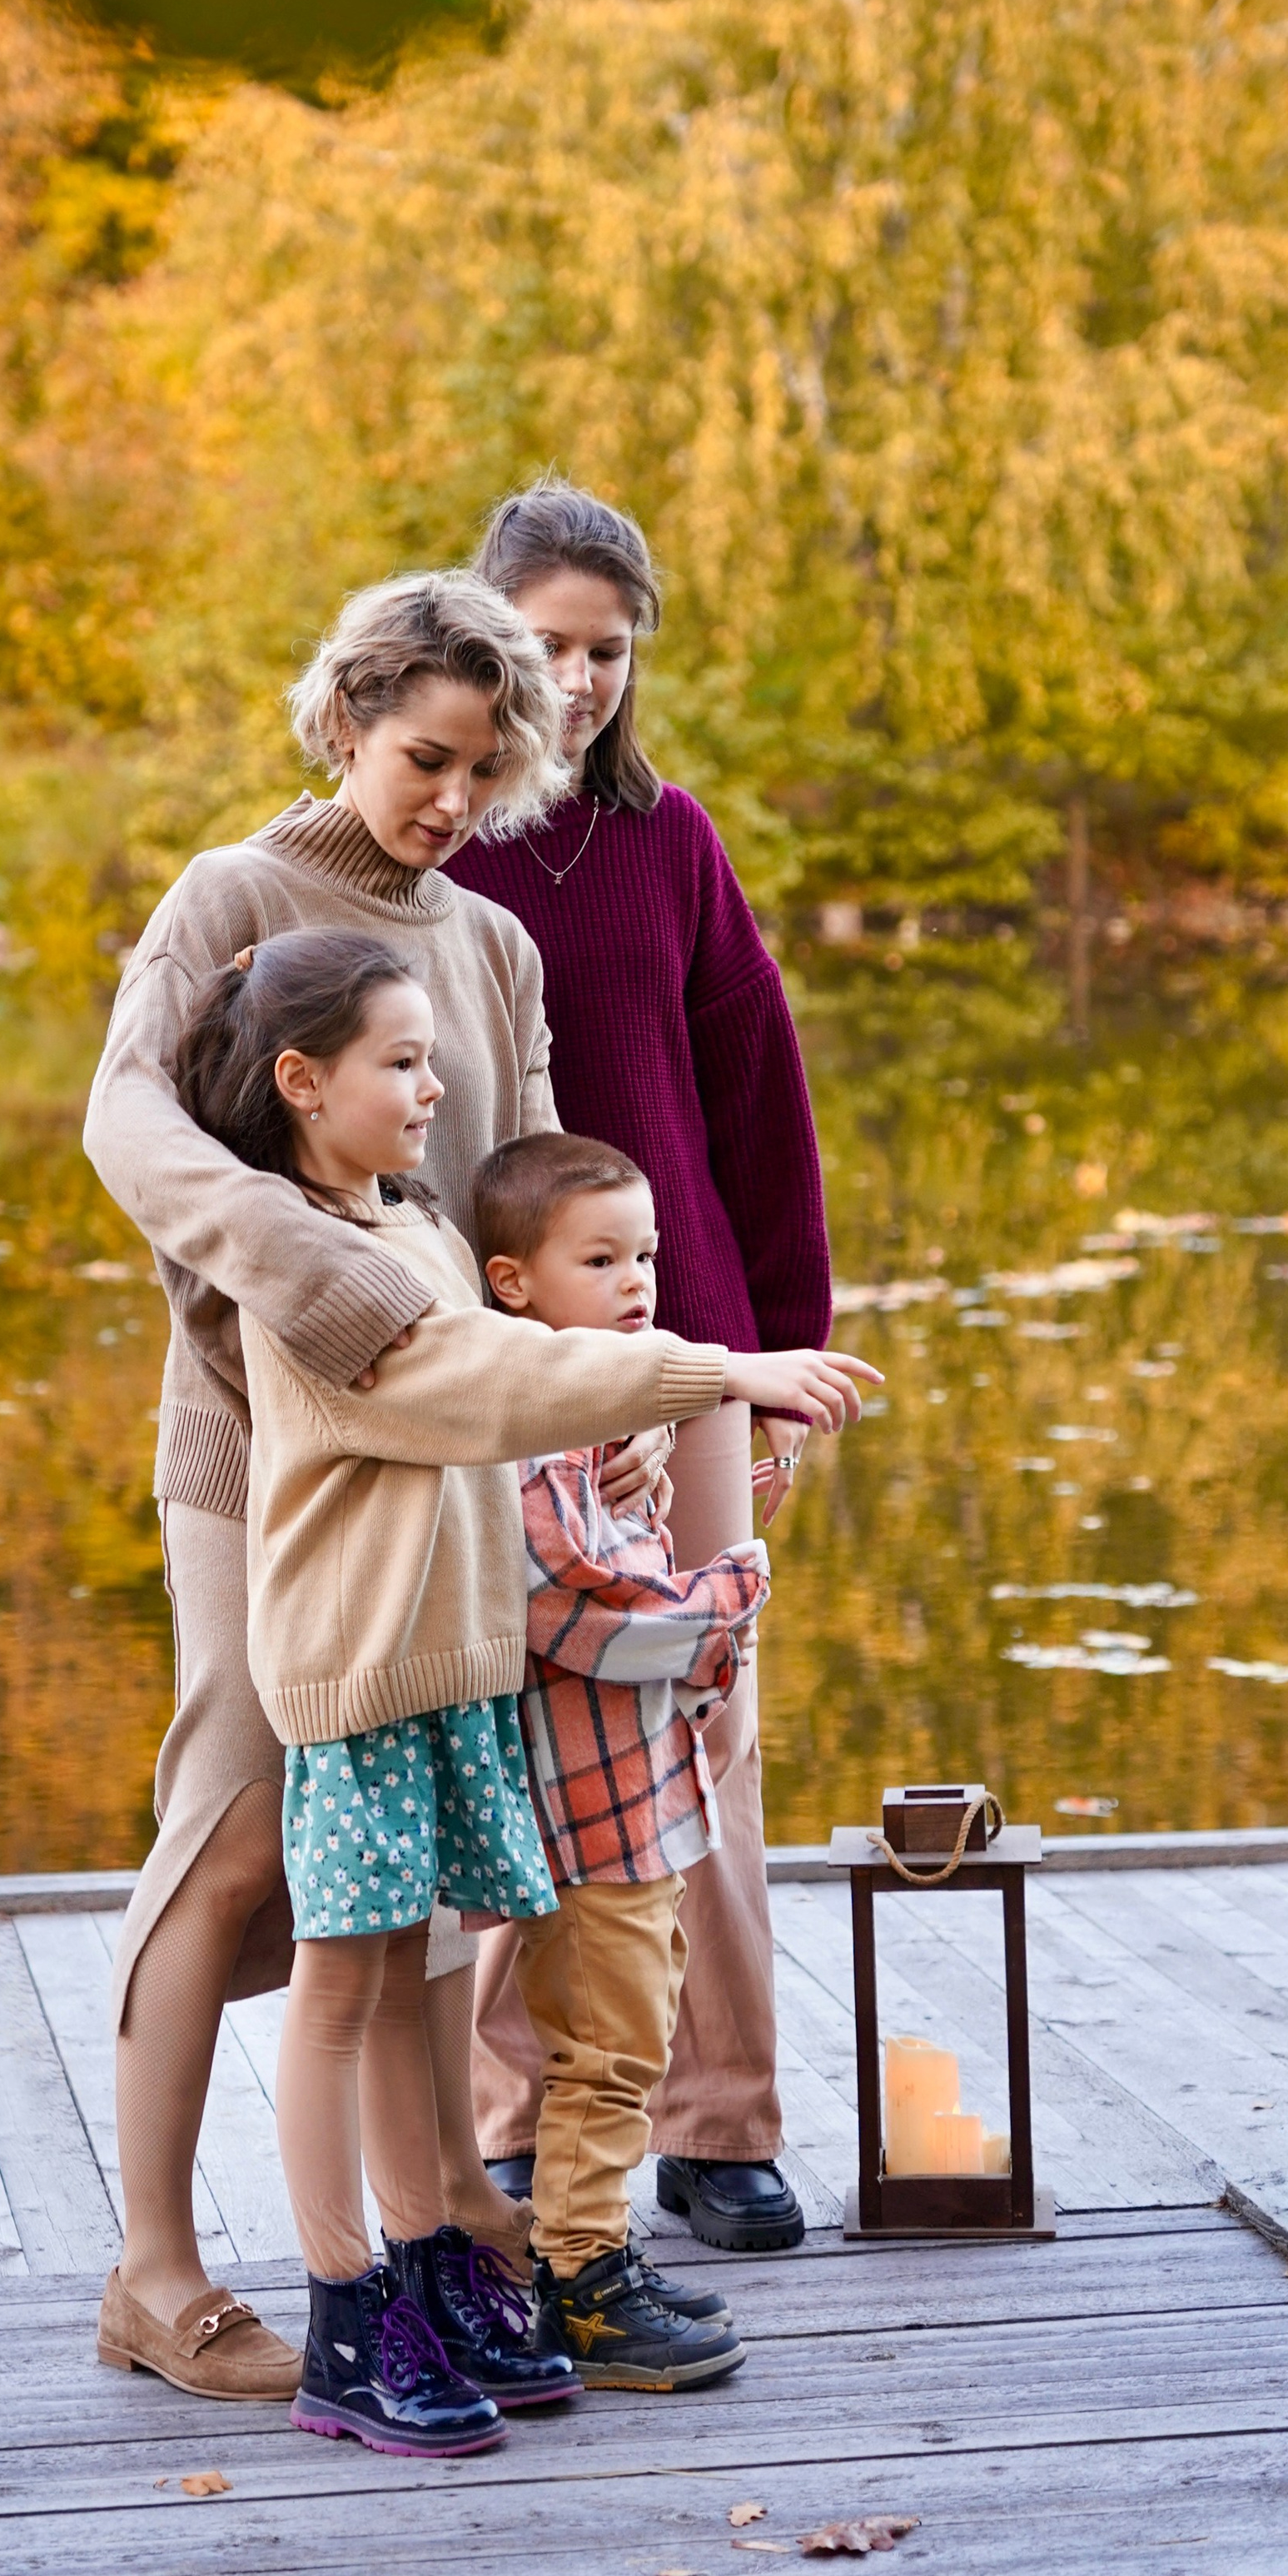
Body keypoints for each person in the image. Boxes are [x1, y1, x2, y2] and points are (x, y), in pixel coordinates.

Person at [84, 570, 674, 2401]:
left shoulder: (484, 948)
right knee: (237, 1818)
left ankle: (432, 2229)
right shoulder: (233, 900)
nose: (445, 800)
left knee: (417, 1840)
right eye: (423, 757)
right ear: (344, 719)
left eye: (482, 775)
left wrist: (608, 1373)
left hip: (441, 1468)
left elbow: (516, 1201)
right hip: (254, 1456)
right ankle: (158, 2271)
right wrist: (317, 1280)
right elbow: (127, 1121)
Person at [168, 927, 868, 2454]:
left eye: (432, 1056)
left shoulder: (408, 1218)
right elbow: (472, 1384)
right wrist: (711, 1372)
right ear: (303, 1082)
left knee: (425, 1980)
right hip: (359, 1684)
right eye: (403, 1064)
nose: (436, 1087)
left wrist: (607, 1436)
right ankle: (349, 2316)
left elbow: (517, 1392)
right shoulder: (314, 1258)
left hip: (467, 1673)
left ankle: (431, 2259)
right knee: (342, 1993)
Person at [452, 477, 835, 2254]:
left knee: (699, 1719)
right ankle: (519, 2109)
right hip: (478, 1362)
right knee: (507, 1720)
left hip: (677, 1351)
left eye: (609, 648)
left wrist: (777, 1361)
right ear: (477, 640)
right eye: (549, 644)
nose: (584, 678)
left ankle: (718, 2119)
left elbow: (758, 1106)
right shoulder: (418, 847)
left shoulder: (669, 839)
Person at [477, 1129, 825, 2384]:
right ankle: (583, 2284)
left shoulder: (604, 1416)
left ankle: (593, 2254)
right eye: (603, 1259)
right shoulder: (531, 1435)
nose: (640, 1284)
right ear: (513, 1284)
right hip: (597, 1813)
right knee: (612, 2046)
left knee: (624, 2029)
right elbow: (590, 1612)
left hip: (640, 1803)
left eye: (649, 1257)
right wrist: (734, 1589)